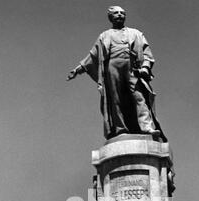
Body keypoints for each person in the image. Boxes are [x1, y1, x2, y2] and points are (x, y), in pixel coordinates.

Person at [67, 6, 166, 141]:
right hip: (113, 67)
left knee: (139, 96)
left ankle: (146, 127)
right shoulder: (105, 35)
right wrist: (78, 69)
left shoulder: (135, 33)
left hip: (132, 67)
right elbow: (92, 56)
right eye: (116, 13)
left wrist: (145, 67)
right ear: (110, 17)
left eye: (122, 13)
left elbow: (147, 53)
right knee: (116, 98)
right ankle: (120, 128)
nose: (119, 15)